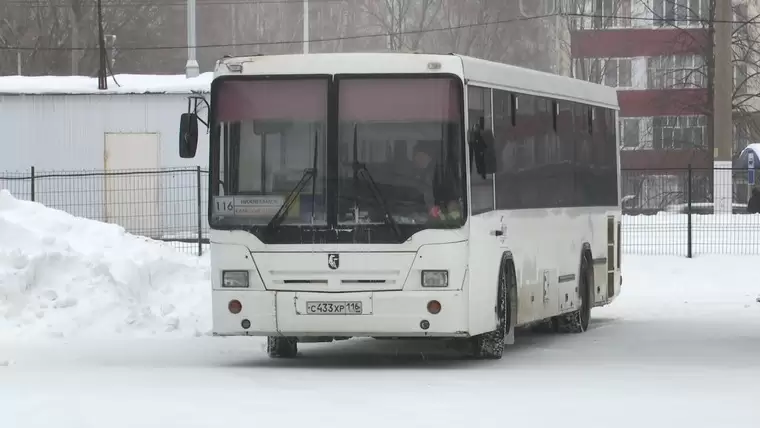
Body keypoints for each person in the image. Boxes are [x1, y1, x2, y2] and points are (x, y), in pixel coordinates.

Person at [409, 142, 461, 221]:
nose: (416, 159)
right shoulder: (412, 175)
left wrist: (432, 214)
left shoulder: (439, 176)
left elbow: (451, 203)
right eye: (415, 156)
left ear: (429, 157)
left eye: (420, 156)